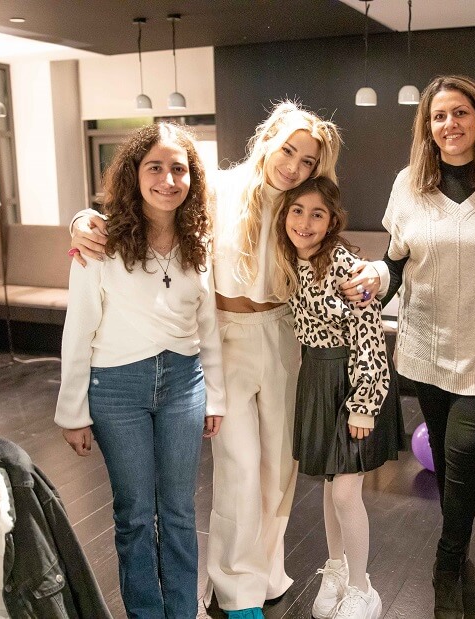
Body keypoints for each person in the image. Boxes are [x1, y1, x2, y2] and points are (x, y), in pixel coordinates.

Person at [69, 102, 343, 618]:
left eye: (307, 160)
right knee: (238, 469)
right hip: (227, 334)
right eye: (288, 150)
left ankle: (263, 572)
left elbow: (339, 250)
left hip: (284, 333)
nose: (294, 166)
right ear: (267, 139)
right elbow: (151, 203)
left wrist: (374, 273)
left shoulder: (303, 202)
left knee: (279, 468)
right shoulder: (216, 187)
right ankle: (236, 591)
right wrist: (82, 220)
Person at [343, 75, 475, 618]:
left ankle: (448, 557)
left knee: (464, 452)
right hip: (425, 345)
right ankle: (456, 541)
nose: (449, 124)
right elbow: (395, 263)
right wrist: (374, 278)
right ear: (427, 127)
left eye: (459, 113)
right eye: (438, 116)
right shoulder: (410, 183)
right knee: (451, 462)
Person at [55, 122, 226, 618]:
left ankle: (183, 612)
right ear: (134, 172)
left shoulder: (199, 241)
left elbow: (208, 327)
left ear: (192, 178)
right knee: (134, 514)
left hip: (184, 385)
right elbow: (78, 328)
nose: (168, 180)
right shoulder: (99, 241)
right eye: (155, 167)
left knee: (179, 512)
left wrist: (214, 398)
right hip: (116, 389)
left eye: (179, 169)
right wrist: (73, 412)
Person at [273, 177, 404, 619]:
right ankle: (336, 568)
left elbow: (369, 335)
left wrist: (364, 403)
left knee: (346, 493)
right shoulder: (287, 259)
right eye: (297, 211)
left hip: (353, 381)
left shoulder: (346, 267)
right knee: (331, 488)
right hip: (316, 378)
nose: (304, 222)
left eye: (317, 214)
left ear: (331, 222)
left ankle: (363, 589)